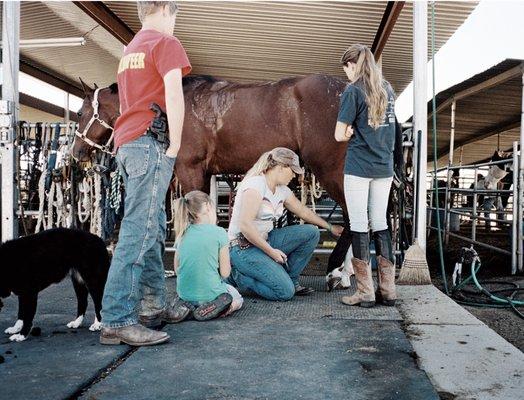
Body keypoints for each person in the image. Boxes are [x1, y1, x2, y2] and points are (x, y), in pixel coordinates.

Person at [100, 1, 192, 346]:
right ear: (167, 8)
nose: (175, 22)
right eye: (176, 14)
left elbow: (128, 102)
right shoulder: (165, 43)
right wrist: (175, 145)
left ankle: (152, 306)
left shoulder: (131, 49)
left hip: (128, 143)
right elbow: (174, 96)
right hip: (150, 142)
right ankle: (117, 319)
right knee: (138, 232)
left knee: (151, 227)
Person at [228, 147, 344, 301]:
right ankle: (237, 277)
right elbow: (245, 226)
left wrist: (330, 227)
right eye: (293, 171)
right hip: (243, 248)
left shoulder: (282, 189)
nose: (295, 176)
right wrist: (271, 252)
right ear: (281, 167)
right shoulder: (255, 186)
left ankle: (291, 280)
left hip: (265, 240)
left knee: (311, 232)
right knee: (284, 293)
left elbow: (303, 212)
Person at [334, 44, 397, 308]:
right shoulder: (388, 89)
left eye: (346, 68)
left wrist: (348, 133)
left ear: (352, 65)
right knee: (380, 222)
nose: (346, 74)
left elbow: (339, 134)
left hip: (359, 167)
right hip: (384, 167)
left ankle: (365, 292)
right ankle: (388, 291)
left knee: (360, 224)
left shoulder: (353, 91)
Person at [170, 191, 243, 321]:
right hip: (211, 295)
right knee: (236, 296)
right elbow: (225, 273)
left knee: (186, 295)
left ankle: (186, 307)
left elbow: (177, 269)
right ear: (207, 207)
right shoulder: (219, 233)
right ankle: (225, 308)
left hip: (185, 294)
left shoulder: (182, 234)